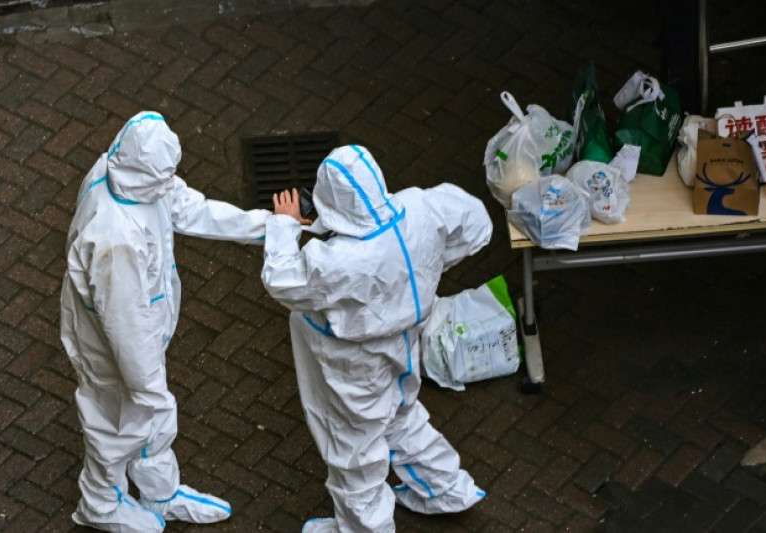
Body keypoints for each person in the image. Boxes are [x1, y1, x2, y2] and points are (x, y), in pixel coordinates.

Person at [261, 145, 492, 532]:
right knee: (401, 414)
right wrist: (431, 267)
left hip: (355, 363)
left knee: (355, 450)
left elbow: (282, 281)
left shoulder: (337, 259)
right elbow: (478, 225)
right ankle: (446, 489)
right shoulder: (421, 207)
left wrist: (285, 225)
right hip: (404, 343)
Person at [60, 111, 270, 532]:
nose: (171, 183)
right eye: (164, 176)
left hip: (140, 335)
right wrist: (150, 388)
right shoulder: (114, 239)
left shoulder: (122, 170)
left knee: (145, 419)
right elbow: (126, 328)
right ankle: (99, 505)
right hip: (115, 350)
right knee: (116, 424)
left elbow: (188, 206)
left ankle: (158, 492)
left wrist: (267, 227)